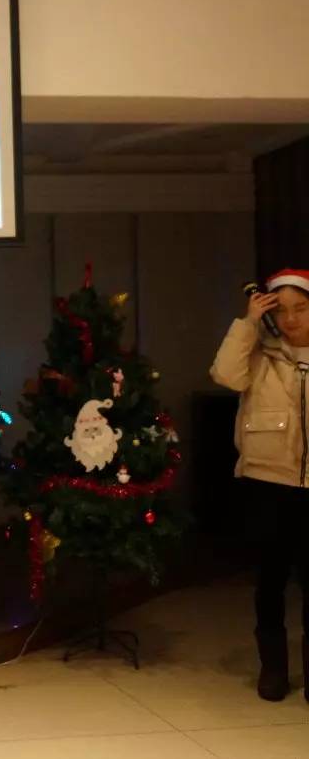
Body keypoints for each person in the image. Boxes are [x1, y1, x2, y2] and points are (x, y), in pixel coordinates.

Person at [210, 268, 309, 703]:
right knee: (270, 581)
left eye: (301, 308)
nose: (291, 319)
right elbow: (225, 375)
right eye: (281, 310)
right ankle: (273, 669)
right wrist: (249, 323)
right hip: (268, 482)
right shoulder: (259, 352)